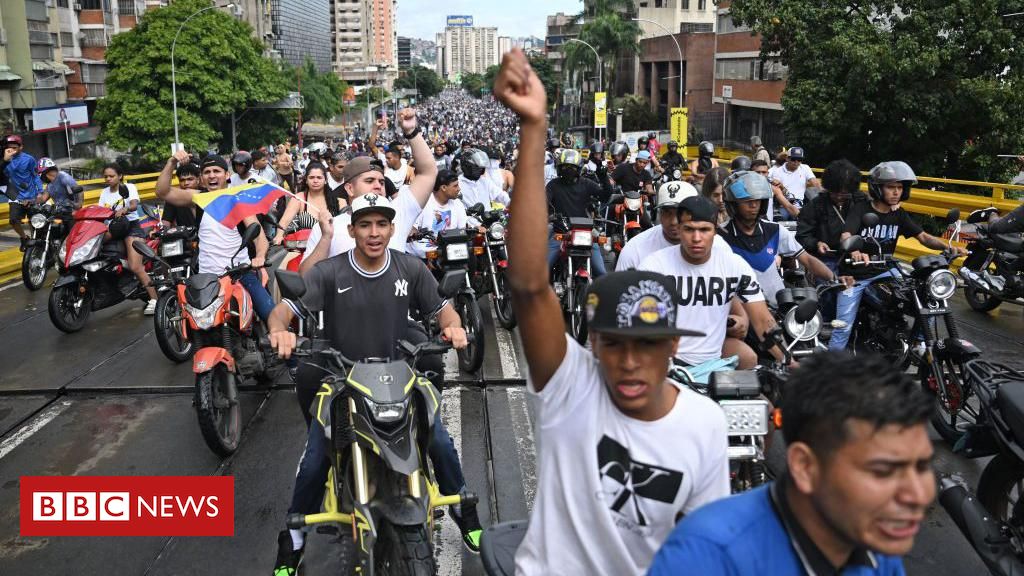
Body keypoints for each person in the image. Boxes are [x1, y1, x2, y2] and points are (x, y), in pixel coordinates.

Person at [494, 48, 729, 576]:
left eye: (647, 345)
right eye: (614, 344)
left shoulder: (706, 426)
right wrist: (534, 128)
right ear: (591, 344)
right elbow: (531, 286)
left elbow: (704, 547)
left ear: (672, 346)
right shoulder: (570, 384)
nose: (628, 363)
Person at [267, 193, 482, 573]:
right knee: (316, 458)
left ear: (392, 229)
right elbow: (282, 313)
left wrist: (454, 327)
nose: (374, 232)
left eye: (381, 224)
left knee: (439, 440)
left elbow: (442, 310)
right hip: (340, 380)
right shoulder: (328, 272)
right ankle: (294, 538)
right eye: (365, 224)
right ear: (351, 230)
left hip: (400, 378)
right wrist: (281, 332)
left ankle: (464, 510)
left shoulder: (411, 268)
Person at [649, 351, 935, 575]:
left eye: (922, 467)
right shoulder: (706, 556)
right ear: (805, 466)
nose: (918, 496)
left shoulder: (876, 541)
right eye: (883, 472)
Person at [829, 161, 967, 350]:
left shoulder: (899, 214)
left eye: (900, 187)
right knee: (842, 328)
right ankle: (829, 368)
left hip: (886, 272)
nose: (896, 192)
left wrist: (950, 247)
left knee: (928, 300)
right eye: (891, 187)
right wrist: (855, 250)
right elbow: (847, 234)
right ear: (878, 189)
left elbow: (924, 237)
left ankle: (920, 346)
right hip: (856, 275)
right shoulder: (861, 209)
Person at [639, 195, 788, 369]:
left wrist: (788, 362)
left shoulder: (735, 265)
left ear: (715, 231)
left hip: (715, 362)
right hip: (665, 363)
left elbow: (763, 321)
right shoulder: (653, 267)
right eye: (689, 229)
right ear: (679, 229)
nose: (696, 238)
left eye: (704, 230)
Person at [299, 107, 438, 272]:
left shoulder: (398, 212)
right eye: (369, 180)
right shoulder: (329, 227)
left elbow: (428, 173)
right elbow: (305, 279)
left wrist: (411, 131)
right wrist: (326, 238)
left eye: (381, 181)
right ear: (350, 189)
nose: (378, 185)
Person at [155, 151, 275, 322]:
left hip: (239, 273)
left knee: (272, 318)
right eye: (207, 172)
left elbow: (259, 236)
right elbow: (162, 191)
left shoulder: (238, 200)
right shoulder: (198, 198)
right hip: (207, 279)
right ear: (202, 178)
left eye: (216, 171)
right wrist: (172, 162)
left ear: (227, 175)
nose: (212, 175)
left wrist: (260, 257)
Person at [717, 171, 849, 307]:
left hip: (778, 309)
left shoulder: (775, 230)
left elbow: (807, 259)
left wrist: (834, 278)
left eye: (757, 200)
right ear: (733, 204)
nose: (754, 206)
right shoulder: (720, 236)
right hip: (738, 312)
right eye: (747, 201)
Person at [98, 164, 160, 314]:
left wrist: (125, 209)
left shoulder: (129, 187)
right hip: (113, 228)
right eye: (106, 176)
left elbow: (133, 204)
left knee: (135, 266)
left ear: (120, 176)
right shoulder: (104, 192)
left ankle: (155, 300)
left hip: (131, 227)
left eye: (111, 176)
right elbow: (100, 211)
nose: (108, 179)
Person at [545, 148, 613, 277]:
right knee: (543, 270)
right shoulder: (553, 185)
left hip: (586, 232)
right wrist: (548, 215)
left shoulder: (586, 183)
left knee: (601, 272)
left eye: (572, 167)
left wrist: (604, 177)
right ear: (559, 168)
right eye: (565, 167)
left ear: (579, 168)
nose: (568, 170)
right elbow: (543, 202)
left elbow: (605, 196)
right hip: (561, 232)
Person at [615, 180, 702, 271]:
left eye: (680, 213)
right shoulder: (634, 249)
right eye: (667, 212)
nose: (673, 221)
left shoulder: (715, 247)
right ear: (660, 214)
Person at [273, 162, 343, 245]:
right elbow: (284, 221)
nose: (315, 181)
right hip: (305, 247)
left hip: (335, 245)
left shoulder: (339, 200)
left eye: (319, 178)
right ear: (306, 180)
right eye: (311, 177)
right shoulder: (299, 198)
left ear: (325, 180)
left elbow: (346, 225)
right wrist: (279, 235)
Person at [407, 169, 468, 259]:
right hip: (420, 256)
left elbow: (463, 230)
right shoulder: (422, 202)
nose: (459, 189)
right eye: (455, 186)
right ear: (443, 188)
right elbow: (411, 230)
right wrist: (413, 234)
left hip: (447, 254)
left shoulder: (458, 204)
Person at [1, 134, 44, 249]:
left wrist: (40, 192)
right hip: (15, 196)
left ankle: (34, 241)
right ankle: (24, 237)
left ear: (21, 147)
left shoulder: (29, 159)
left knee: (33, 222)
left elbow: (35, 176)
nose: (12, 150)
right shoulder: (5, 160)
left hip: (31, 196)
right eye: (9, 147)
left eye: (15, 147)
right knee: (14, 220)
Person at [768, 146, 819, 220]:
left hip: (800, 205)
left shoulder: (805, 168)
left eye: (799, 160)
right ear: (787, 158)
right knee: (780, 218)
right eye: (793, 159)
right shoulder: (777, 172)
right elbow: (778, 191)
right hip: (783, 205)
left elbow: (815, 182)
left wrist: (823, 193)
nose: (796, 162)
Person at [752, 158, 798, 222]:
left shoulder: (773, 188)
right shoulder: (743, 187)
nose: (761, 175)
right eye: (757, 172)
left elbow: (788, 206)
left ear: (768, 173)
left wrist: (804, 218)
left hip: (767, 227)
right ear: (750, 172)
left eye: (764, 172)